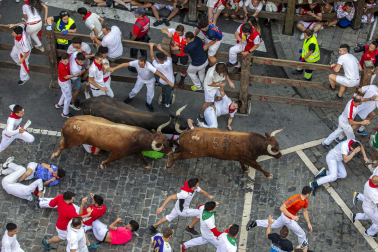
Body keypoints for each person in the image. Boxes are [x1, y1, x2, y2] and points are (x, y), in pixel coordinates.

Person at [246, 186, 313, 249]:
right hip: (287, 219)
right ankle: (303, 249)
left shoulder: (305, 201)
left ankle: (255, 223)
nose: (311, 194)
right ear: (307, 194)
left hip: (286, 217)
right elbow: (282, 208)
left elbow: (305, 211)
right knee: (301, 233)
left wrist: (309, 223)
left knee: (275, 224)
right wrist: (293, 216)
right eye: (310, 193)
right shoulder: (295, 198)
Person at [150, 178, 214, 235]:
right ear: (194, 186)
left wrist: (208, 195)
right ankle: (190, 228)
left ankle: (154, 226)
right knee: (201, 213)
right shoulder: (184, 194)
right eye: (197, 184)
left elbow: (202, 191)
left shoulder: (192, 186)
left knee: (169, 217)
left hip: (177, 206)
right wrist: (161, 207)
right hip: (183, 211)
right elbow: (170, 197)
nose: (198, 185)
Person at [109, 56, 173, 112]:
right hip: (140, 79)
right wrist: (114, 68)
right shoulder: (136, 62)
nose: (139, 65)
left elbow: (159, 74)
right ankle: (129, 97)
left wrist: (168, 82)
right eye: (139, 63)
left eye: (141, 64)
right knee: (135, 90)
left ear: (145, 62)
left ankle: (148, 103)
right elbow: (125, 64)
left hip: (150, 81)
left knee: (150, 94)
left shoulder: (150, 66)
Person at [351, 169, 378, 238]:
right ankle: (369, 233)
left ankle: (355, 216)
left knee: (371, 216)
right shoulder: (374, 192)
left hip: (369, 206)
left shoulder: (369, 182)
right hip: (370, 208)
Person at [55, 53, 81, 118]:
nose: (64, 62)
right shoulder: (61, 66)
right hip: (65, 82)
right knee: (68, 97)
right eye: (63, 61)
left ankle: (60, 104)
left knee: (64, 93)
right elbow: (66, 77)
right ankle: (65, 113)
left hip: (63, 82)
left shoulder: (69, 56)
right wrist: (75, 75)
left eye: (66, 61)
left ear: (68, 59)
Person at [149, 43, 175, 107]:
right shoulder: (168, 62)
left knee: (155, 72)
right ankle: (167, 103)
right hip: (171, 83)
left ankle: (156, 81)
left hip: (162, 82)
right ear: (164, 58)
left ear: (157, 59)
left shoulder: (156, 65)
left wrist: (151, 47)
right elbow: (169, 55)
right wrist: (161, 48)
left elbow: (152, 57)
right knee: (168, 92)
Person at [129, 7, 150, 72]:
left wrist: (130, 41)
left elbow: (135, 35)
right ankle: (145, 65)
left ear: (140, 15)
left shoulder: (137, 25)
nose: (135, 15)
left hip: (138, 39)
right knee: (144, 52)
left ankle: (133, 67)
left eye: (136, 14)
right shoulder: (147, 18)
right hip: (145, 37)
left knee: (133, 54)